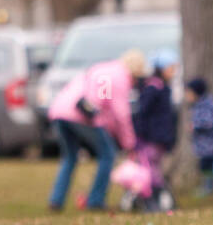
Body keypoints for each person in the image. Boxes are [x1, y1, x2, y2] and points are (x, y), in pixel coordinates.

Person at [47, 50, 145, 211]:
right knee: (108, 155)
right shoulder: (119, 77)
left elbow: (101, 101)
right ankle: (95, 200)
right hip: (80, 114)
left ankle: (56, 200)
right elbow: (117, 112)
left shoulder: (101, 69)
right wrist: (129, 143)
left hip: (59, 111)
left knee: (69, 157)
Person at [133, 51, 178, 207]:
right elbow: (143, 113)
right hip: (150, 137)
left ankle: (158, 198)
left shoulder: (164, 88)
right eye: (171, 67)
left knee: (156, 168)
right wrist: (140, 136)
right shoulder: (153, 88)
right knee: (150, 169)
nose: (174, 71)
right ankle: (150, 200)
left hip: (161, 137)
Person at [186, 77, 213, 196]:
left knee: (208, 165)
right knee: (204, 165)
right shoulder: (197, 105)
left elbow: (209, 122)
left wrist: (195, 126)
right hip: (202, 144)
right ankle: (206, 186)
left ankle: (209, 187)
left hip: (209, 144)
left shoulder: (206, 105)